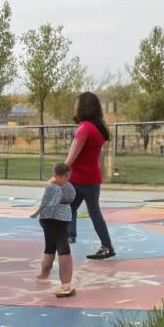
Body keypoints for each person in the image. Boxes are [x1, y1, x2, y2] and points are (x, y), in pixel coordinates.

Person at [65, 92, 116, 259]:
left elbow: (71, 157)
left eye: (76, 104)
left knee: (69, 206)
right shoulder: (97, 129)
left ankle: (70, 236)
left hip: (79, 179)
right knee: (89, 211)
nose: (74, 107)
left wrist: (58, 174)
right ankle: (106, 246)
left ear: (83, 107)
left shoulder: (84, 128)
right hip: (92, 178)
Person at [33, 162, 76, 297]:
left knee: (50, 247)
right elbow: (71, 197)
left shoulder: (50, 186)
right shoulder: (66, 186)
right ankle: (65, 285)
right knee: (63, 248)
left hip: (46, 220)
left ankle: (44, 274)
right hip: (60, 220)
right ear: (67, 175)